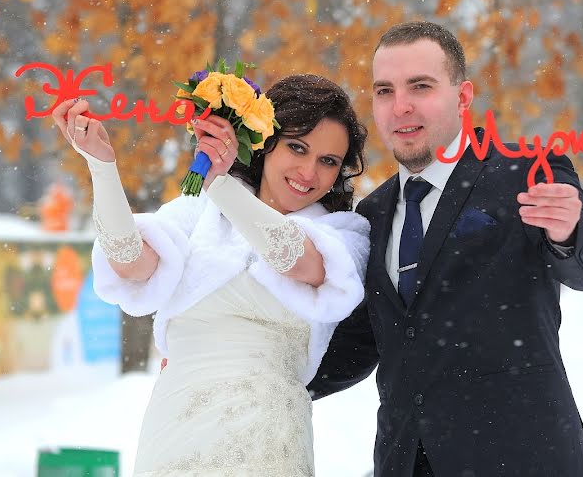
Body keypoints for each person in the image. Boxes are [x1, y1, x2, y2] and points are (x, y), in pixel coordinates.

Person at [308, 21, 583, 476]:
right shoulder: (370, 215)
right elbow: (360, 342)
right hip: (407, 462)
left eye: (420, 86)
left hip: (521, 458)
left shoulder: (526, 174)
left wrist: (569, 233)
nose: (401, 107)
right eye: (384, 91)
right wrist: (254, 371)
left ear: (463, 96)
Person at [51, 74, 370, 476]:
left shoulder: (343, 234)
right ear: (265, 143)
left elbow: (293, 258)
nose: (309, 171)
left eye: (328, 161)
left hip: (266, 439)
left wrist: (220, 181)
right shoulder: (198, 213)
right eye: (297, 147)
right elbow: (129, 259)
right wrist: (101, 164)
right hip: (176, 430)